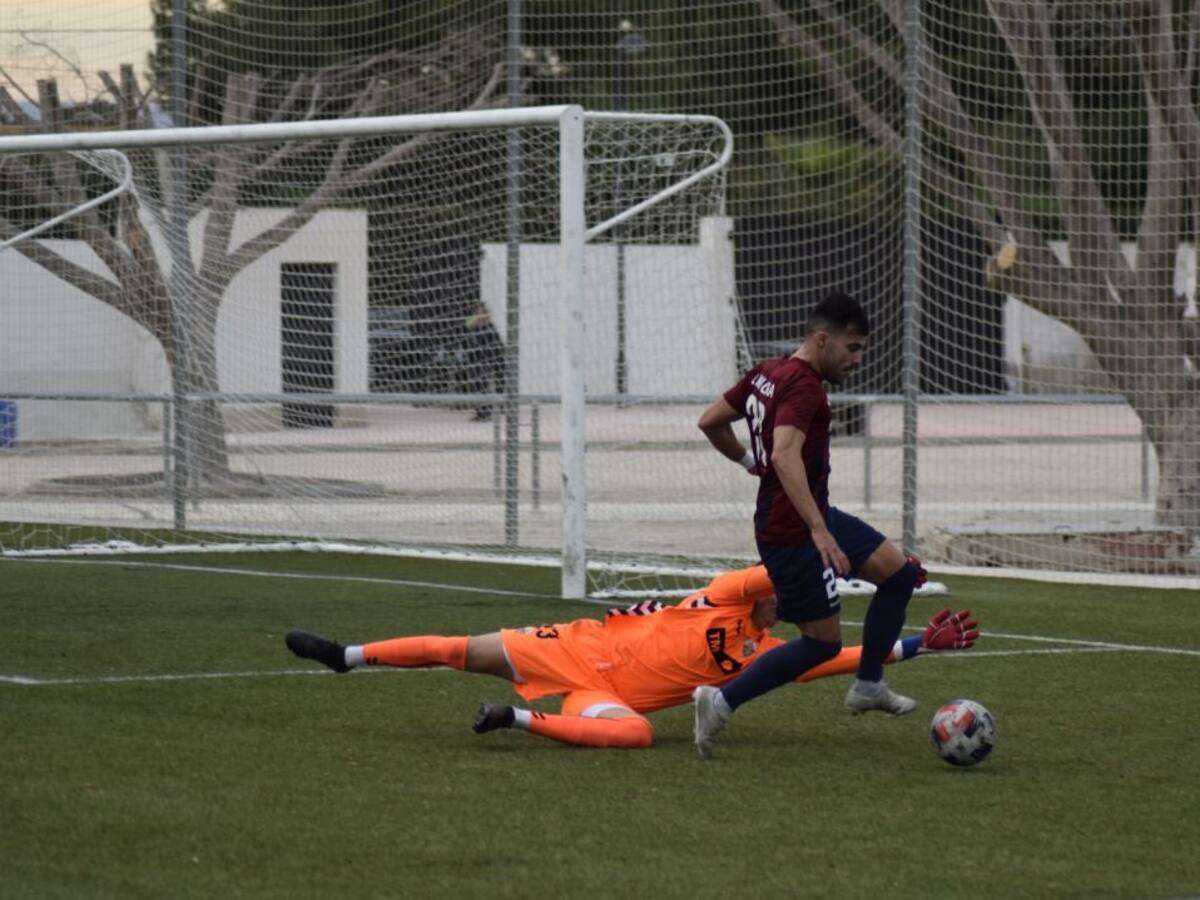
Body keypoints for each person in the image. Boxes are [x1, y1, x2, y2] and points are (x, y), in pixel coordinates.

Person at [285, 564, 978, 750]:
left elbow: (843, 655)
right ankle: (344, 656)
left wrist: (918, 644)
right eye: (797, 593)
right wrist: (819, 559)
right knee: (459, 648)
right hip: (581, 647)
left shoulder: (771, 652)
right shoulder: (728, 594)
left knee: (639, 734)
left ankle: (514, 721)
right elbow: (772, 567)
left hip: (604, 694)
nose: (797, 603)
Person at [693, 291, 922, 758]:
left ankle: (869, 684)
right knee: (821, 644)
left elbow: (711, 420)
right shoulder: (803, 386)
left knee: (899, 574)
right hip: (791, 530)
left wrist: (746, 463)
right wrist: (818, 529)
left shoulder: (767, 373)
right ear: (822, 339)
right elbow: (782, 454)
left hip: (808, 514)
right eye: (852, 348)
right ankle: (721, 700)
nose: (857, 359)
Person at [463, 301, 504, 421]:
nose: (478, 313)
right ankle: (479, 412)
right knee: (476, 387)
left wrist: (495, 359)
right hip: (474, 360)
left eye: (480, 311)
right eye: (476, 311)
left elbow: (497, 345)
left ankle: (486, 412)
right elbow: (466, 326)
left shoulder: (489, 327)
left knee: (484, 386)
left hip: (486, 360)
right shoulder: (473, 327)